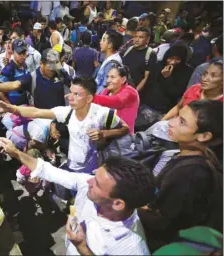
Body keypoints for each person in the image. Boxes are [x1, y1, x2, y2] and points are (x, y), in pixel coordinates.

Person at [0, 138, 155, 255]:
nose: (89, 181)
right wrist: (16, 153)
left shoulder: (131, 248)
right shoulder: (88, 184)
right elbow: (50, 171)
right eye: (94, 175)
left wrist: (82, 247)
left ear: (118, 204)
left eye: (97, 183)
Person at [0, 77, 130, 174]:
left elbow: (125, 129)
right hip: (72, 165)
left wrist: (103, 134)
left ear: (89, 98)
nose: (70, 97)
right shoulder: (66, 113)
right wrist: (9, 108)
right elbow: (36, 112)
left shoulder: (104, 114)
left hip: (94, 169)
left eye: (76, 94)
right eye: (70, 92)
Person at [138, 100, 223, 252]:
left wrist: (129, 204)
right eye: (177, 116)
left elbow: (162, 222)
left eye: (182, 122)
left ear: (204, 136)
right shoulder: (186, 156)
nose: (171, 123)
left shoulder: (191, 173)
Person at [0, 49, 72, 109]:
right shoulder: (32, 77)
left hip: (60, 119)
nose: (53, 68)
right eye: (49, 65)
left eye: (55, 64)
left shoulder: (60, 72)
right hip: (42, 121)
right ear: (41, 63)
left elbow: (72, 85)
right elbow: (15, 84)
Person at [136, 43, 193, 131]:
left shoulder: (186, 72)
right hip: (147, 107)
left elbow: (176, 93)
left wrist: (167, 78)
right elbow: (148, 85)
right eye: (170, 58)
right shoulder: (158, 66)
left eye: (177, 59)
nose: (173, 62)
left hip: (165, 111)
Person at [93, 65, 139, 133]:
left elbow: (116, 101)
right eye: (107, 77)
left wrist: (90, 97)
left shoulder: (130, 92)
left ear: (123, 79)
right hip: (105, 135)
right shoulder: (105, 91)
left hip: (123, 137)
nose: (108, 80)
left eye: (112, 77)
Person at [122, 27, 157, 92]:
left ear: (148, 39)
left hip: (135, 92)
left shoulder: (150, 54)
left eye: (141, 37)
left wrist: (135, 93)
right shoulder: (128, 49)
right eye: (135, 36)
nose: (137, 40)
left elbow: (146, 78)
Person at [95, 30, 123, 94]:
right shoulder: (112, 58)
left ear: (110, 45)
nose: (100, 42)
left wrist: (94, 99)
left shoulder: (112, 64)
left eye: (103, 40)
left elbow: (104, 86)